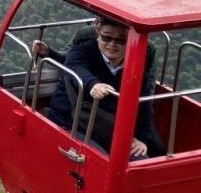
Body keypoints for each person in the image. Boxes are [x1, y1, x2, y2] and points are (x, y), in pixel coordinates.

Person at [45, 16, 166, 159]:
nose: (113, 44)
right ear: (98, 35)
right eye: (107, 38)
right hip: (73, 120)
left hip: (107, 121)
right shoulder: (82, 51)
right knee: (101, 159)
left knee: (156, 150)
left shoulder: (134, 66)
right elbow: (76, 67)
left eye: (121, 40)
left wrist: (141, 138)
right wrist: (93, 84)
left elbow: (143, 103)